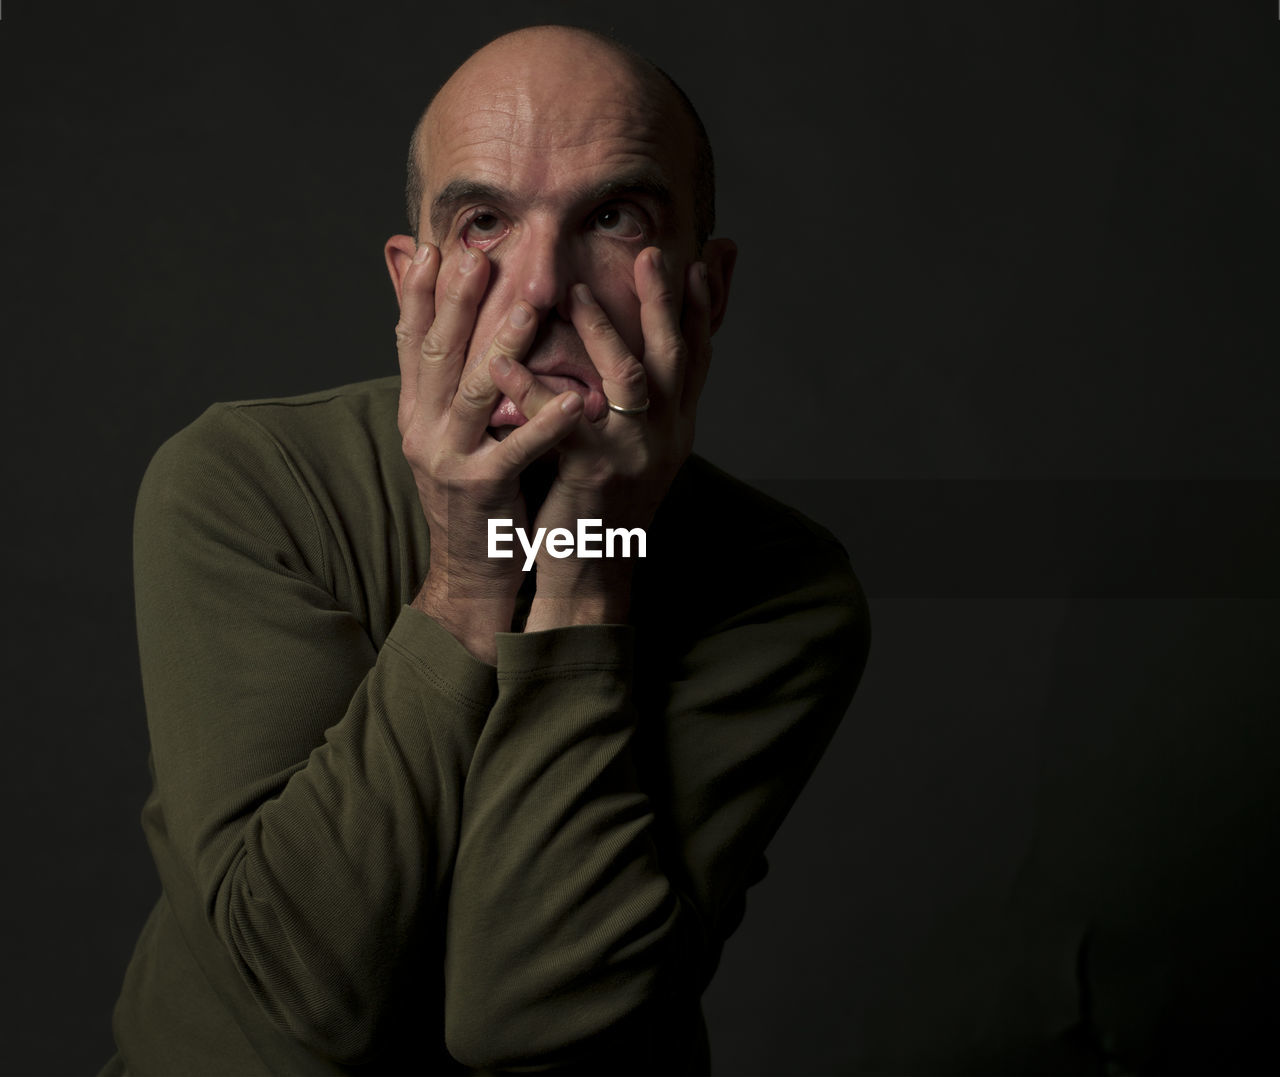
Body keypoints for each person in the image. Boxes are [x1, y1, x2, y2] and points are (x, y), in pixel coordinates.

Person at [104, 24, 869, 1075]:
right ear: (409, 277)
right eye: (483, 223)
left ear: (706, 287)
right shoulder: (246, 482)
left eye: (612, 216)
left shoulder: (782, 592)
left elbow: (533, 1022)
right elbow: (298, 999)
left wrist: (587, 560)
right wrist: (467, 583)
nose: (541, 285)